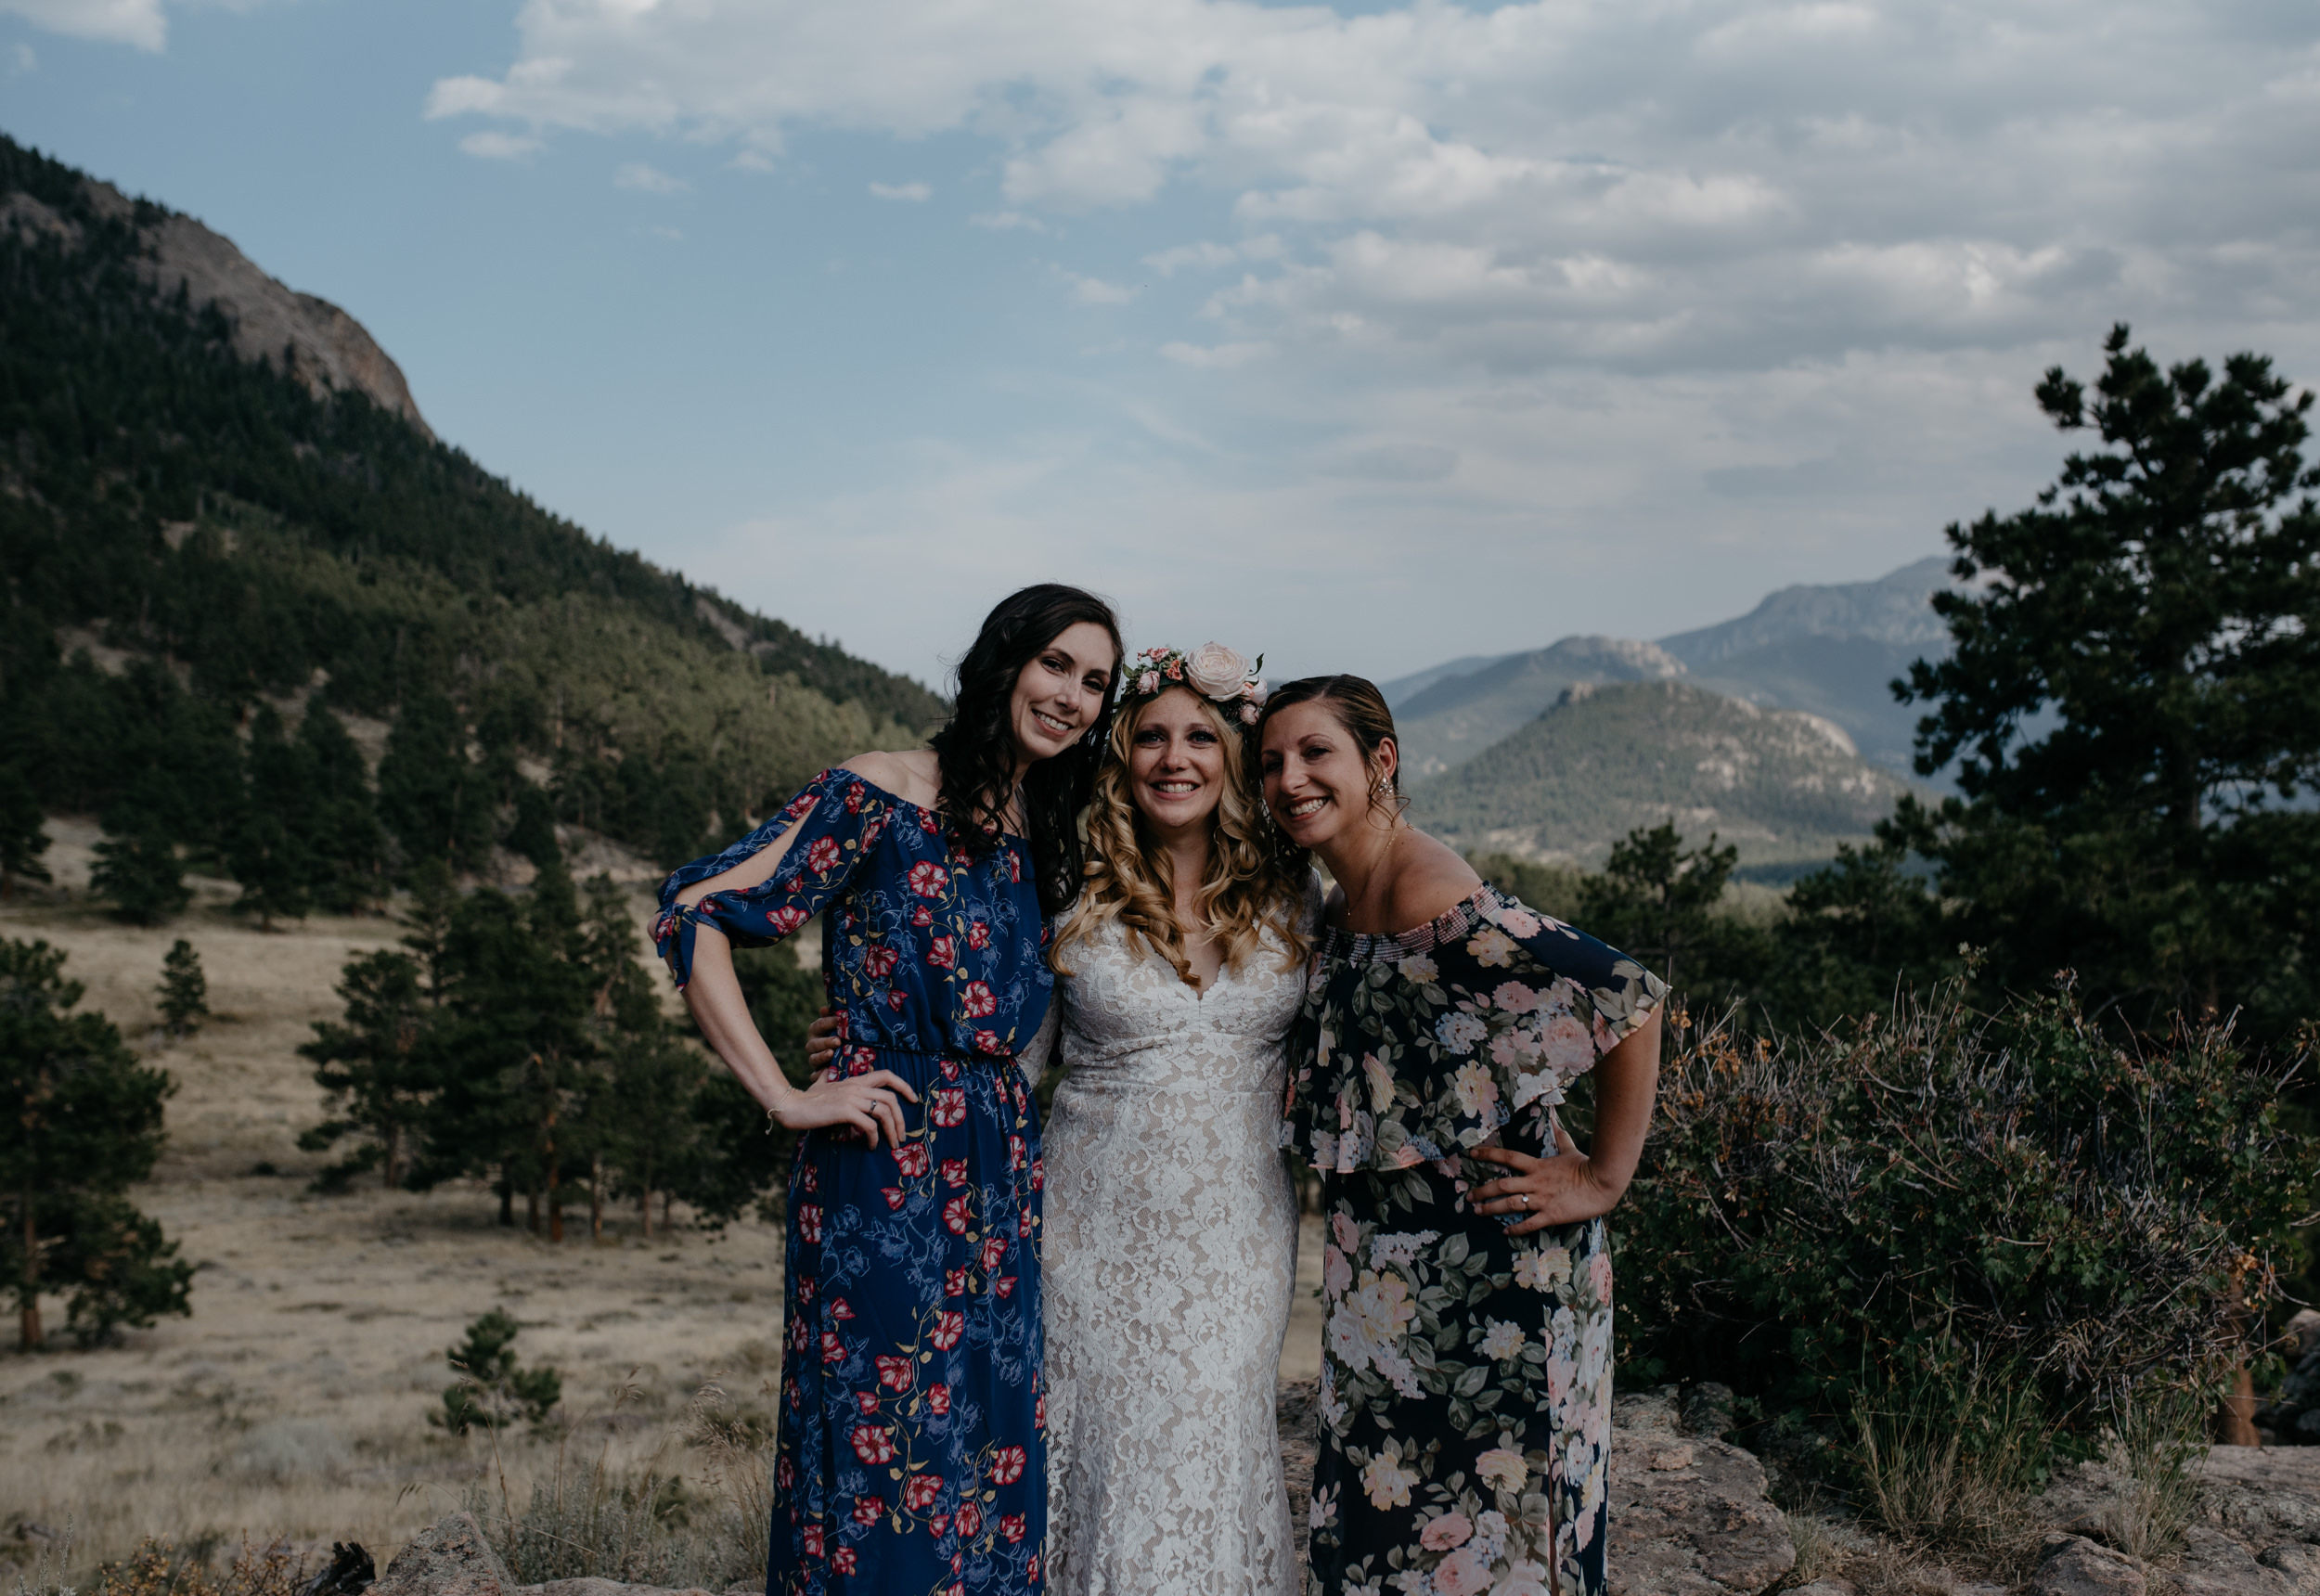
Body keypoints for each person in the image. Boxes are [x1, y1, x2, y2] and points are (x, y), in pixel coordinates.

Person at [809, 640, 1317, 1594]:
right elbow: (998, 1051)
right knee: (1093, 1442)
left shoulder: (1295, 895)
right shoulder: (1070, 887)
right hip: (1086, 1225)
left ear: (1234, 757)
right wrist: (871, 1042)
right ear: (1121, 757)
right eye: (1151, 737)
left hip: (1239, 1231)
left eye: (1200, 737)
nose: (1175, 757)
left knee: (1211, 1427)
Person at [655, 584, 1122, 1596]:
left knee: (987, 1447)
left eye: (1095, 681)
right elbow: (693, 914)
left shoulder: (1048, 829)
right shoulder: (877, 790)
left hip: (999, 1172)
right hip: (885, 1166)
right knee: (887, 1446)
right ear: (1004, 663)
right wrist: (783, 1093)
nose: (1072, 695)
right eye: (1056, 665)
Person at [1257, 676, 1667, 1596]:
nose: (1288, 778)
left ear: (1381, 762)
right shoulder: (1342, 902)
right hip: (1396, 1292)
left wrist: (1603, 1177)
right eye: (1272, 761)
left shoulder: (1426, 897)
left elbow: (1630, 999)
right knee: (1393, 1538)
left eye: (1315, 753)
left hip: (1498, 1280)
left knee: (1504, 1547)